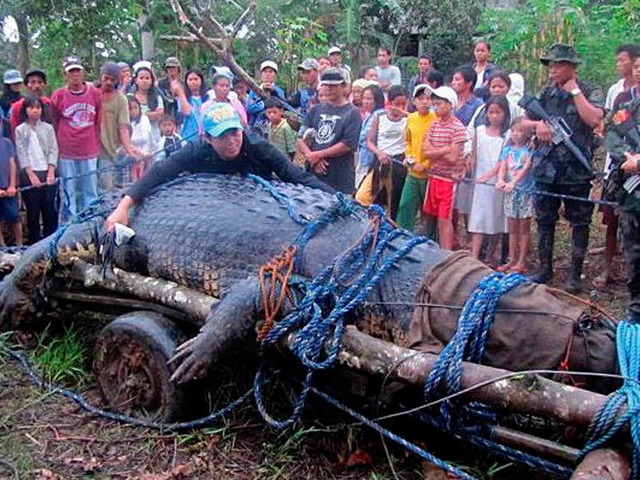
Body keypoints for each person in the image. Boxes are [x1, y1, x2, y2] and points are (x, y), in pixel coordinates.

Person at [105, 102, 333, 230]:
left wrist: (339, 198)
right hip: (208, 214)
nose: (232, 140)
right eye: (223, 136)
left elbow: (296, 175)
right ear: (209, 138)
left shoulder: (258, 147)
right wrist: (123, 207)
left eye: (234, 132)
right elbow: (159, 172)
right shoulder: (196, 150)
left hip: (257, 213)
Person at [525, 43, 604, 293]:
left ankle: (574, 275)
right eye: (550, 64)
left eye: (558, 65)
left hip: (576, 170)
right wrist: (538, 126)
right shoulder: (545, 93)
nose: (552, 69)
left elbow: (594, 119)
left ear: (571, 67)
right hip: (547, 168)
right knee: (544, 219)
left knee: (580, 222)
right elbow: (522, 121)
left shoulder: (590, 90)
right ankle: (544, 269)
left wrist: (575, 93)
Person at [594, 44, 640, 290]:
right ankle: (633, 299)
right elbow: (612, 133)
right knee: (625, 235)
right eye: (637, 67)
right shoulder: (625, 105)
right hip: (628, 182)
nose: (639, 71)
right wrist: (627, 157)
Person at [51, 55, 101, 223]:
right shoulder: (59, 95)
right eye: (71, 72)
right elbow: (54, 121)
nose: (75, 75)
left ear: (82, 72)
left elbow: (98, 119)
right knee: (69, 190)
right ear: (65, 75)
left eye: (77, 71)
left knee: (90, 190)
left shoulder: (94, 93)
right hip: (67, 150)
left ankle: (91, 221)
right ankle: (70, 224)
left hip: (89, 149)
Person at [297, 68, 362, 194]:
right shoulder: (315, 110)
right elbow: (300, 138)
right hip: (314, 173)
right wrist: (312, 157)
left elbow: (348, 144)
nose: (328, 89)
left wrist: (318, 155)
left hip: (340, 175)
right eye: (325, 85)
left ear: (343, 86)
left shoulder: (352, 112)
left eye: (333, 85)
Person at [422, 86, 469, 250]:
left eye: (439, 104)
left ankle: (446, 252)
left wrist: (435, 152)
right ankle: (436, 248)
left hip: (448, 180)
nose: (435, 107)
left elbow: (453, 158)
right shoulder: (434, 125)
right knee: (432, 216)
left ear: (450, 105)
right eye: (434, 104)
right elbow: (425, 152)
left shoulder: (458, 128)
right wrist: (443, 149)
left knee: (444, 218)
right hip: (434, 177)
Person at [467, 95, 510, 261]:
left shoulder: (507, 135)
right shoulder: (479, 131)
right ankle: (474, 255)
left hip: (497, 180)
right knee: (478, 216)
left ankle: (490, 255)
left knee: (496, 216)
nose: (494, 116)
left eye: (498, 112)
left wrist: (490, 175)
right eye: (491, 112)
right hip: (479, 181)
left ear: (505, 113)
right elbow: (474, 153)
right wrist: (469, 166)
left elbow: (503, 159)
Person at [492, 118, 535, 273]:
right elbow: (503, 166)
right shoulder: (508, 150)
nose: (516, 134)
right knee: (511, 227)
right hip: (510, 193)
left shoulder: (530, 150)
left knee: (524, 227)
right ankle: (511, 259)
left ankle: (522, 260)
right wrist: (500, 180)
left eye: (520, 131)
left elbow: (526, 168)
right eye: (514, 130)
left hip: (525, 192)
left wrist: (513, 182)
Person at [14, 95, 58, 244]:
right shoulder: (20, 130)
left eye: (38, 107)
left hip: (47, 172)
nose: (35, 111)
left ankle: (51, 242)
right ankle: (34, 244)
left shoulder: (48, 128)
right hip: (29, 174)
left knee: (49, 210)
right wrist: (31, 174)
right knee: (32, 212)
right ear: (25, 110)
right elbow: (21, 152)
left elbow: (53, 149)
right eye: (31, 107)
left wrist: (51, 171)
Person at [362, 85, 409, 220]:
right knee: (366, 195)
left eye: (403, 104)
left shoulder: (408, 119)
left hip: (398, 162)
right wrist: (379, 153)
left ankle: (392, 226)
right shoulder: (380, 116)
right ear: (389, 103)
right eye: (396, 104)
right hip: (380, 159)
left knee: (394, 199)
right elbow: (370, 141)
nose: (400, 108)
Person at [396, 84, 438, 233]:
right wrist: (409, 157)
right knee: (405, 205)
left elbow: (439, 147)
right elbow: (407, 140)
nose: (425, 102)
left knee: (429, 212)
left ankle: (430, 240)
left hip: (430, 174)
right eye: (421, 99)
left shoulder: (436, 119)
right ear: (414, 101)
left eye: (428, 99)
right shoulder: (411, 118)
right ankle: (401, 235)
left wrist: (426, 164)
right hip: (413, 172)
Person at [452, 65, 484, 247]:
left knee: (467, 200)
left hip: (467, 155)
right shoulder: (451, 102)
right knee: (453, 201)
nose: (454, 83)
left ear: (469, 83)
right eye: (454, 80)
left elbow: (476, 133)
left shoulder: (478, 105)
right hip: (451, 155)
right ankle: (453, 236)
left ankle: (471, 238)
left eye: (458, 80)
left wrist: (469, 155)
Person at [98, 61, 140, 192]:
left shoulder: (121, 99)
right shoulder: (92, 93)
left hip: (108, 150)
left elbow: (123, 126)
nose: (109, 82)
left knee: (106, 188)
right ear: (101, 76)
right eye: (106, 78)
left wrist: (129, 149)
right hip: (88, 150)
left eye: (113, 80)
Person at [354, 84, 385, 188]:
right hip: (364, 156)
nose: (365, 101)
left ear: (377, 100)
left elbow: (363, 136)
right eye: (364, 98)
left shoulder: (378, 115)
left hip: (371, 157)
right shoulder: (370, 115)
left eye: (369, 99)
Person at [9, 68, 53, 137]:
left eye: (40, 82)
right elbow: (14, 132)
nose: (37, 86)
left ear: (44, 85)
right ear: (26, 85)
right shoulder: (17, 107)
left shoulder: (50, 104)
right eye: (33, 82)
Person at [246, 60, 286, 137]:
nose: (267, 74)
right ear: (261, 74)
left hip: (276, 128)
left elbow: (283, 107)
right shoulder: (254, 91)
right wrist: (264, 104)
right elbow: (249, 109)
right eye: (265, 72)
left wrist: (274, 92)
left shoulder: (279, 91)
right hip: (257, 128)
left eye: (271, 72)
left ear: (275, 75)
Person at [0, 119, 22, 246]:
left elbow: (12, 164)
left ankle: (20, 245)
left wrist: (12, 185)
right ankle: (2, 246)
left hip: (9, 188)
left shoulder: (7, 143)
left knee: (15, 217)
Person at [131, 65, 164, 149]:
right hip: (134, 138)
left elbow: (159, 115)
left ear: (152, 80)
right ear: (136, 80)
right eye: (141, 78)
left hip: (154, 138)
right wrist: (149, 114)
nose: (144, 81)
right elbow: (130, 115)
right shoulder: (129, 97)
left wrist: (142, 114)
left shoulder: (157, 98)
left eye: (147, 78)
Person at [173, 68, 207, 143]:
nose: (193, 82)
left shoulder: (208, 97)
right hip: (188, 137)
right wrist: (180, 92)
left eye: (196, 79)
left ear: (201, 81)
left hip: (206, 137)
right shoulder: (183, 98)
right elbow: (187, 112)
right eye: (190, 80)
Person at [127, 96, 153, 181]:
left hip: (145, 150)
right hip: (130, 151)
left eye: (136, 108)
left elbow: (145, 138)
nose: (134, 111)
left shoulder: (144, 119)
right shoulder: (124, 121)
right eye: (130, 108)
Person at [157, 57, 182, 121]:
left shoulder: (183, 84)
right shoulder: (160, 83)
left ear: (178, 69)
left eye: (174, 67)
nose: (171, 69)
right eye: (169, 67)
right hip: (165, 115)